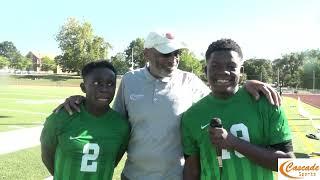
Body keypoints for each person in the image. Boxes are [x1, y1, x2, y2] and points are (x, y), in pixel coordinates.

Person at [55, 32, 281, 180]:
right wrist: (81, 99)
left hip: (176, 176)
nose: (173, 58)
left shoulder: (190, 82)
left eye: (176, 53)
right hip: (133, 176)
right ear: (146, 53)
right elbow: (110, 122)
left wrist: (248, 82)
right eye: (165, 52)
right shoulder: (130, 81)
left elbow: (223, 93)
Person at [181, 39, 294, 180]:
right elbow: (192, 171)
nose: (223, 72)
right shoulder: (192, 115)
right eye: (215, 66)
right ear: (205, 70)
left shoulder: (266, 103)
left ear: (241, 71)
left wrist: (233, 142)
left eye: (231, 66)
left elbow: (290, 164)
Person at [40, 61, 130, 179]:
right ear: (83, 87)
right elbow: (47, 155)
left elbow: (113, 161)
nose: (104, 89)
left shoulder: (121, 125)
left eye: (110, 84)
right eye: (97, 83)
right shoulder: (61, 117)